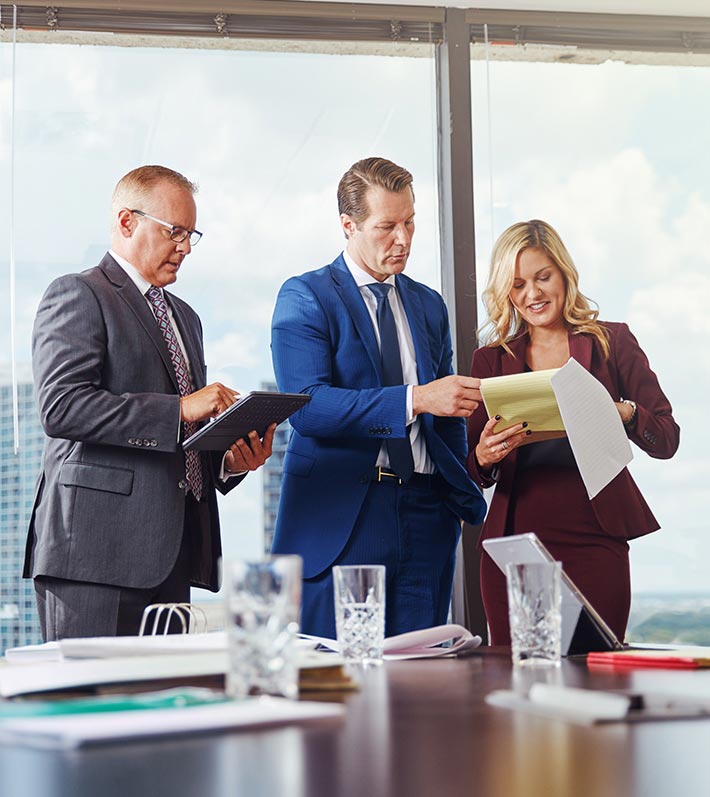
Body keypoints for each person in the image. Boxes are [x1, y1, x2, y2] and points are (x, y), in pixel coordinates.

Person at [25, 165, 274, 641]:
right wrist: (179, 408)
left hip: (170, 555)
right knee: (92, 709)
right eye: (174, 231)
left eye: (191, 234)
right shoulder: (78, 293)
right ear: (126, 222)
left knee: (160, 709)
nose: (184, 246)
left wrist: (231, 462)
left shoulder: (186, 318)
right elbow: (61, 407)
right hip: (92, 558)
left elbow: (183, 439)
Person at [270, 156, 487, 638]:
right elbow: (307, 406)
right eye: (386, 226)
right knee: (338, 692)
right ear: (348, 226)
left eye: (410, 222)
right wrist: (414, 400)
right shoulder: (305, 296)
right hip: (347, 519)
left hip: (429, 516)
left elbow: (447, 411)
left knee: (422, 689)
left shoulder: (429, 305)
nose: (404, 239)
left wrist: (460, 487)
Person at [467, 219, 680, 644]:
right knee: (518, 686)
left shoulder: (611, 342)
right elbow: (472, 467)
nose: (533, 294)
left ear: (564, 273)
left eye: (543, 277)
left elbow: (666, 438)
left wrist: (623, 412)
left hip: (595, 541)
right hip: (515, 545)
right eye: (518, 284)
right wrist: (485, 456)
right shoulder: (491, 360)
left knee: (599, 679)